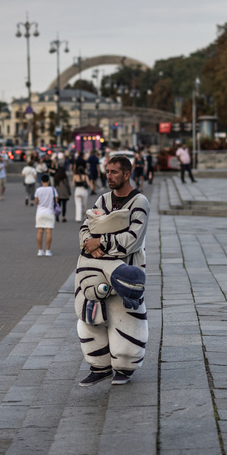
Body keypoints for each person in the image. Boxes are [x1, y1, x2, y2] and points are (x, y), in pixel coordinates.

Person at [77, 156, 150, 386]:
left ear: (127, 174)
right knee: (91, 319)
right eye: (107, 171)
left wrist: (101, 243)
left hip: (124, 273)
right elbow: (85, 227)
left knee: (126, 320)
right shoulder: (103, 199)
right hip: (97, 272)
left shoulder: (140, 202)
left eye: (114, 172)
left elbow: (133, 240)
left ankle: (124, 367)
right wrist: (89, 242)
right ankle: (99, 366)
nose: (108, 175)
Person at [35, 174, 58, 256]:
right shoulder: (52, 189)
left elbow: (36, 202)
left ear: (41, 181)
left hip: (40, 213)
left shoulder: (38, 190)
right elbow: (56, 200)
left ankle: (40, 250)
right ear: (48, 181)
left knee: (40, 232)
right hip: (50, 212)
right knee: (48, 232)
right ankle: (48, 250)